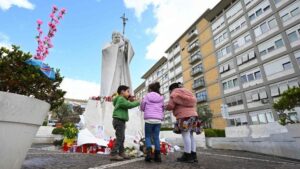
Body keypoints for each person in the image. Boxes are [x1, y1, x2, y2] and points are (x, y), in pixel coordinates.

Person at [165, 82, 201, 163]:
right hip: (194, 116)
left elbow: (170, 106)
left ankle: (187, 155)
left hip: (184, 116)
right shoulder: (188, 92)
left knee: (186, 135)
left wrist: (165, 107)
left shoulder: (174, 93)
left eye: (169, 91)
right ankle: (193, 155)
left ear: (171, 89)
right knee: (191, 135)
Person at [110, 85, 140, 161]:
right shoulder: (121, 99)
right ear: (122, 92)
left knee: (121, 138)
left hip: (119, 120)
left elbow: (127, 103)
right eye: (128, 91)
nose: (129, 93)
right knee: (120, 137)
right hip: (119, 120)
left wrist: (129, 98)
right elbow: (129, 105)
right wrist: (138, 102)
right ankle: (113, 154)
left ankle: (121, 152)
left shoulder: (119, 99)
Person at [140, 82, 164, 162]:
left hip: (149, 119)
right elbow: (163, 108)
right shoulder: (161, 97)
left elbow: (142, 106)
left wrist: (144, 109)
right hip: (158, 120)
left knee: (148, 137)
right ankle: (158, 156)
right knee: (156, 137)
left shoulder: (147, 96)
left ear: (150, 89)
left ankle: (149, 154)